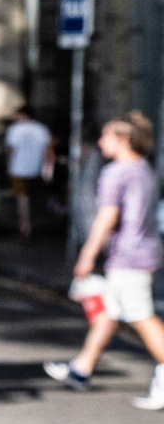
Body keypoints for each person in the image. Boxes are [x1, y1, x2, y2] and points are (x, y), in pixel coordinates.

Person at [44, 113, 164, 409]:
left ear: (122, 140)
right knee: (110, 311)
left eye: (106, 136)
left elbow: (106, 218)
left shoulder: (116, 172)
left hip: (128, 256)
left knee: (141, 316)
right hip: (145, 250)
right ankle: (81, 369)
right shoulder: (144, 169)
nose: (100, 142)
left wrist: (86, 255)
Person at [3, 108, 55, 240]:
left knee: (22, 198)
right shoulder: (41, 129)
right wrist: (48, 167)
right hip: (37, 169)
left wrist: (8, 166)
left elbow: (10, 149)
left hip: (18, 168)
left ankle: (25, 226)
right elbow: (48, 150)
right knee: (34, 198)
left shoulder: (15, 130)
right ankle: (34, 224)